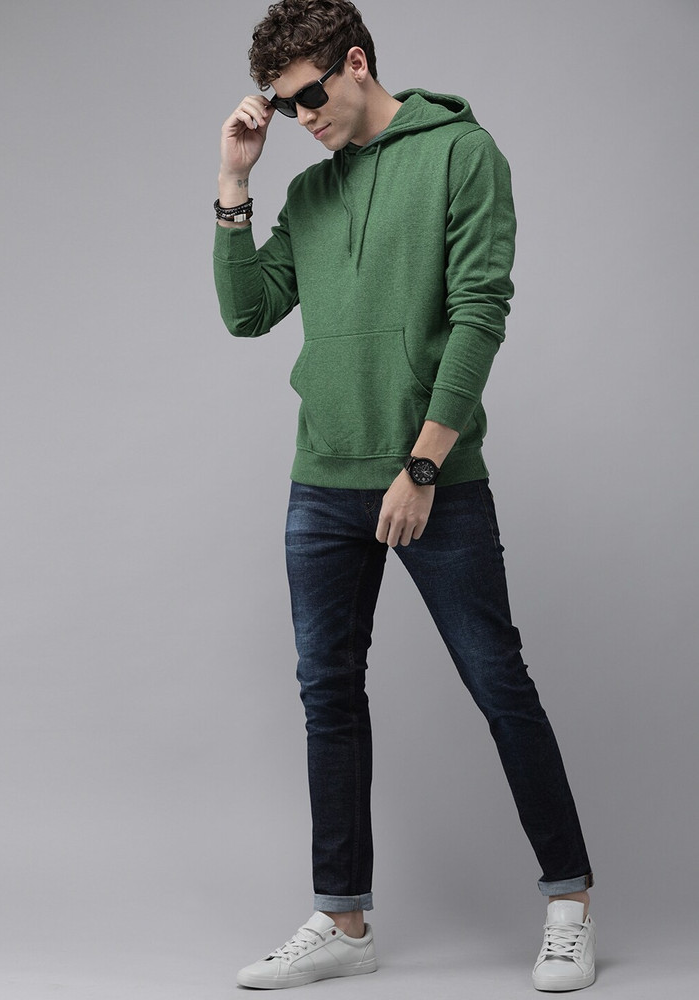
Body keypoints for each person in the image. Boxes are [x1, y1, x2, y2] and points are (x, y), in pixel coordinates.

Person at [213, 0, 595, 991]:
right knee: (328, 697)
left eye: (309, 97)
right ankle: (343, 921)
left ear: (355, 62)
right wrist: (235, 186)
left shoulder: (463, 154)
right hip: (322, 480)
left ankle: (569, 902)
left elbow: (480, 313)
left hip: (433, 479)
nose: (301, 118)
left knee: (498, 682)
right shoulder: (310, 192)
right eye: (283, 106)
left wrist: (423, 466)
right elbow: (248, 314)